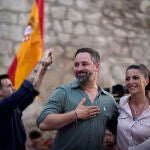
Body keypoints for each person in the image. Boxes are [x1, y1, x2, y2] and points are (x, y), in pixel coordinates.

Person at [37, 48, 118, 150]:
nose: (79, 69)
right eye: (76, 65)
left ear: (96, 67)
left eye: (84, 64)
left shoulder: (109, 99)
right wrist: (75, 114)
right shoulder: (63, 92)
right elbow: (43, 123)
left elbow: (120, 131)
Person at [0, 49, 53, 150]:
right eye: (9, 86)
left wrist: (44, 69)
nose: (14, 88)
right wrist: (41, 62)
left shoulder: (14, 108)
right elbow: (25, 88)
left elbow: (32, 92)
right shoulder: (2, 107)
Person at [117, 64, 150, 150]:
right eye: (127, 79)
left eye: (135, 78)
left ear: (146, 81)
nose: (131, 82)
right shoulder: (122, 103)